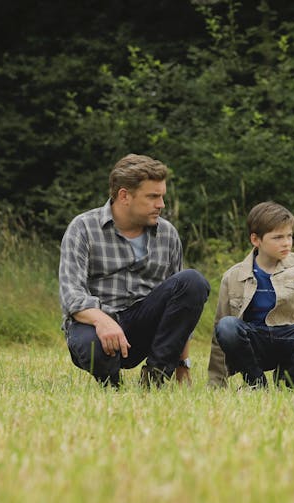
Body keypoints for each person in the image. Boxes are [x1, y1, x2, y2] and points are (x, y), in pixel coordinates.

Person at [59, 153, 210, 388]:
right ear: (124, 196)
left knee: (192, 281)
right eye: (152, 197)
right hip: (96, 326)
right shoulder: (83, 228)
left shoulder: (168, 234)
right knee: (92, 345)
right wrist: (103, 321)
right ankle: (111, 383)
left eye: (162, 196)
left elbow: (181, 310)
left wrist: (183, 365)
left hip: (144, 325)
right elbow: (72, 296)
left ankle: (156, 377)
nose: (161, 204)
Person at [207, 201, 294, 389]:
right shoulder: (233, 276)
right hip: (254, 344)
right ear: (255, 240)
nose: (286, 242)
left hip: (288, 340)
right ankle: (255, 383)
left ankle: (287, 382)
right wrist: (216, 383)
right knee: (227, 326)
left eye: (289, 236)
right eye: (277, 237)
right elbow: (219, 335)